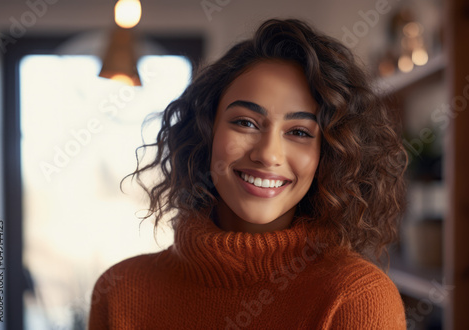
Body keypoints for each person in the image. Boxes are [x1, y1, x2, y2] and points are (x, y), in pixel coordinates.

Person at [88, 18, 407, 329]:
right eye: (246, 123)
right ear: (205, 131)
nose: (268, 154)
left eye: (299, 132)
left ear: (329, 154)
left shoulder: (356, 299)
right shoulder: (119, 290)